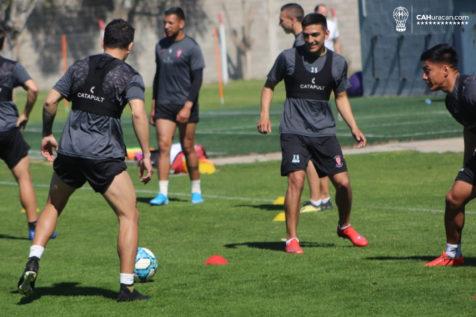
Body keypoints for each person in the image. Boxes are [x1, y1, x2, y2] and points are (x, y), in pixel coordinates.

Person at [17, 19, 153, 301]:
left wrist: (46, 134)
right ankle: (127, 287)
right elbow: (139, 113)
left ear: (103, 41)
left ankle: (34, 258)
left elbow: (49, 101)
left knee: (53, 205)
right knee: (129, 214)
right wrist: (146, 154)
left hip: (69, 151)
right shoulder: (129, 74)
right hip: (102, 155)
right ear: (130, 47)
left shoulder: (79, 66)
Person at [257, 13, 368, 254]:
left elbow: (340, 97)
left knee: (344, 183)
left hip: (324, 132)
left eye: (315, 35)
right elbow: (268, 87)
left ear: (326, 34)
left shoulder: (338, 63)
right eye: (306, 35)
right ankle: (291, 239)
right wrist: (264, 115)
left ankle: (344, 225)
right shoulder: (287, 58)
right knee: (296, 180)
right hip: (293, 129)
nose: (310, 40)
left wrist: (354, 127)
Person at [421, 44, 475, 267]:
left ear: (445, 69)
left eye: (427, 70)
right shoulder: (451, 101)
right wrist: (466, 167)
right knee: (454, 198)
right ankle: (453, 255)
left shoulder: (471, 90)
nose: (424, 76)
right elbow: (470, 129)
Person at [279, 4, 333, 213]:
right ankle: (324, 197)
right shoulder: (301, 41)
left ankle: (316, 199)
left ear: (292, 20)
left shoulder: (303, 42)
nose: (279, 23)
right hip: (314, 108)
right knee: (316, 153)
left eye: (281, 19)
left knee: (307, 154)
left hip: (308, 109)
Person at [149, 7, 205, 206]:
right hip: (164, 104)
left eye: (170, 22)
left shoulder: (192, 47)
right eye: (164, 22)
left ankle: (196, 190)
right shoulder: (160, 46)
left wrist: (188, 106)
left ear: (181, 24)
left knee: (188, 147)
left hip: (185, 105)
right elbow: (157, 76)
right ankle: (162, 194)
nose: (166, 26)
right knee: (163, 147)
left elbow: (197, 79)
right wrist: (154, 104)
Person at [0, 29, 48, 240]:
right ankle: (32, 228)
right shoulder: (11, 67)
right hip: (8, 131)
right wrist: (25, 114)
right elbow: (34, 89)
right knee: (23, 178)